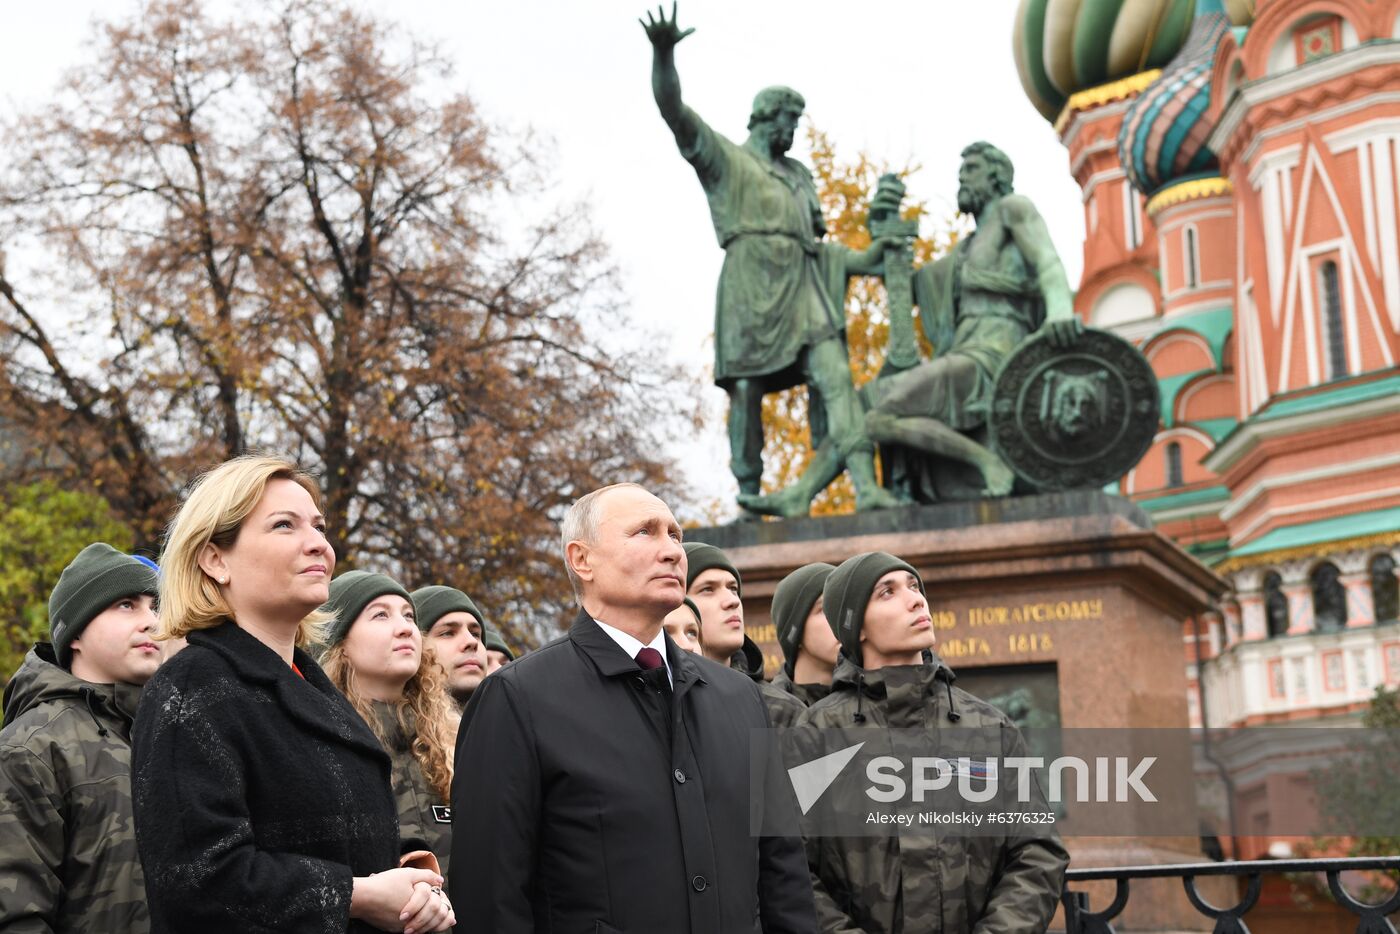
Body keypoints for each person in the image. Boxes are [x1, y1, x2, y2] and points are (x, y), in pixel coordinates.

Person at [450, 482, 816, 932]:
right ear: (581, 559)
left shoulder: (740, 698)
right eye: (645, 532)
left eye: (675, 535)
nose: (672, 551)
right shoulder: (517, 698)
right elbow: (491, 900)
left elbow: (784, 877)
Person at [130, 455, 454, 934]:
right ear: (215, 559)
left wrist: (412, 889)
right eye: (285, 525)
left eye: (319, 527)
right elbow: (198, 882)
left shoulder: (316, 689)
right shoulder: (192, 686)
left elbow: (333, 839)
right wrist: (357, 895)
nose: (318, 544)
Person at [643, 4, 899, 515]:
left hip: (804, 286)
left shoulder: (800, 175)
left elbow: (823, 250)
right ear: (766, 117)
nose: (795, 131)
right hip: (748, 282)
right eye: (790, 120)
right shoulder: (725, 159)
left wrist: (876, 252)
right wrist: (664, 51)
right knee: (745, 389)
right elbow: (674, 111)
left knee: (837, 378)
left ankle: (866, 487)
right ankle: (749, 495)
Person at [799, 551, 1069, 933]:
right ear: (856, 625)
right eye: (887, 592)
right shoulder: (815, 734)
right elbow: (791, 868)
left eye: (914, 586)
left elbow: (1038, 852)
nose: (916, 599)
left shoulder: (990, 727)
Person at [0, 544, 161, 933]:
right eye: (127, 605)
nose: (152, 621)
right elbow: (17, 917)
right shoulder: (31, 749)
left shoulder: (173, 734)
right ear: (75, 633)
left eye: (155, 606)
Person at [323, 571, 460, 875]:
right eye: (381, 615)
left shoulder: (456, 742)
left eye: (409, 616)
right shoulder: (322, 743)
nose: (405, 628)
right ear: (340, 643)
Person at [683, 540, 805, 727]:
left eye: (733, 589)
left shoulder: (783, 712)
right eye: (708, 589)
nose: (732, 600)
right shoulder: (655, 702)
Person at [770, 562, 838, 708]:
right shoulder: (767, 711)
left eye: (842, 607)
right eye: (825, 609)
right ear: (795, 631)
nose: (839, 618)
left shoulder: (875, 700)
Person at [413, 584, 490, 708]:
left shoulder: (509, 724)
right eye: (447, 633)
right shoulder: (380, 726)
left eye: (475, 634)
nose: (472, 642)